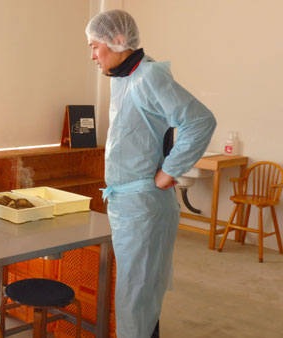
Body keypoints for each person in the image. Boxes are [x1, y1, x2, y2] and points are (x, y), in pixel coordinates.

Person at [85, 10, 216, 338]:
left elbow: (200, 120)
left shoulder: (149, 76)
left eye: (95, 46)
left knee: (136, 295)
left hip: (143, 203)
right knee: (136, 293)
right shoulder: (123, 78)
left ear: (118, 41)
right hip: (127, 202)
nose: (92, 56)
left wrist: (169, 172)